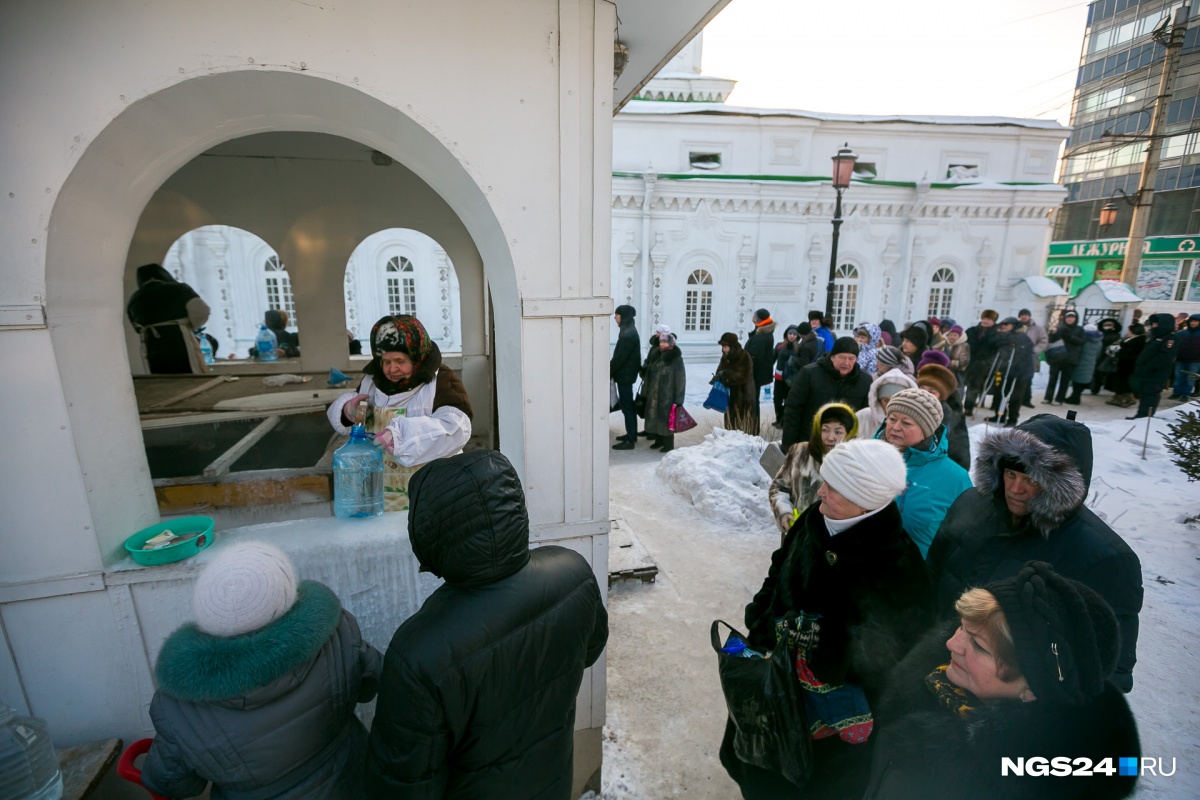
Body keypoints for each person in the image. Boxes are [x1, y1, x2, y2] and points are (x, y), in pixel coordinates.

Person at [365, 450, 608, 799]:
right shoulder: (574, 574)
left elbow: (400, 785)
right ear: (514, 505)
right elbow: (590, 649)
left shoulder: (418, 653)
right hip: (553, 779)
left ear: (429, 531)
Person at [721, 438, 934, 800]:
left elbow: (898, 650)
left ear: (865, 499)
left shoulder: (899, 563)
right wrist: (761, 614)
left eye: (833, 488)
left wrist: (832, 649)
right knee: (755, 768)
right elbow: (780, 566)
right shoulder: (813, 521)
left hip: (829, 724)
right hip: (774, 688)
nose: (820, 492)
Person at [863, 562, 1140, 800]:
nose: (951, 643)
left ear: (1033, 688)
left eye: (979, 646)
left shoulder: (1005, 783)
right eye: (961, 627)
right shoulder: (937, 687)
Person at [141, 542, 382, 799]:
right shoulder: (337, 633)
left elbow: (170, 783)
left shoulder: (177, 707)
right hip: (351, 782)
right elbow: (371, 683)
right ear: (288, 594)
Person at [927, 413, 1143, 691]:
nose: (1015, 489)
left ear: (1060, 485)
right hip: (940, 662)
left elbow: (1109, 672)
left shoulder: (1104, 558)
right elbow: (932, 574)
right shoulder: (971, 504)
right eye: (1010, 473)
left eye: (1032, 479)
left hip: (1009, 709)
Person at [327, 315, 473, 512]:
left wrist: (402, 436)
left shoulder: (441, 379)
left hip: (431, 488)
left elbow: (457, 428)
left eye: (400, 361)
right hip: (381, 492)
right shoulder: (372, 380)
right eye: (385, 361)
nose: (391, 369)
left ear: (417, 356)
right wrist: (348, 411)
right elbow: (358, 417)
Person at [876, 388, 973, 558]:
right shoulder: (866, 458)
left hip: (916, 574)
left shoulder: (954, 477)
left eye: (906, 423)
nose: (895, 427)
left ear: (926, 430)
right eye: (891, 419)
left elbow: (964, 537)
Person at [768, 402, 857, 538]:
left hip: (836, 540)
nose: (830, 437)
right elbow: (778, 488)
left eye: (838, 431)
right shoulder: (799, 452)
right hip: (797, 534)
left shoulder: (855, 462)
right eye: (825, 429)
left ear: (849, 434)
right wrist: (784, 511)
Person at [781, 337, 871, 451]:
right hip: (809, 442)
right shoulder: (810, 374)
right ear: (832, 357)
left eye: (851, 358)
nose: (846, 363)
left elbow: (864, 419)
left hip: (844, 448)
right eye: (842, 357)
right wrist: (789, 445)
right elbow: (793, 410)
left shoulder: (865, 381)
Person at [126, 263, 212, 374]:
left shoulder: (134, 298)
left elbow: (137, 328)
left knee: (161, 377)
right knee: (188, 374)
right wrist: (191, 326)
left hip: (151, 343)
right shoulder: (179, 289)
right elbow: (202, 310)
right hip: (180, 338)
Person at [916, 363, 970, 471]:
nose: (925, 394)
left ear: (941, 396)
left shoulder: (948, 416)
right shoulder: (910, 407)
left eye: (931, 392)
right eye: (922, 389)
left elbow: (959, 455)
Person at [640, 326, 685, 453]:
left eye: (665, 342)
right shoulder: (655, 355)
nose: (662, 344)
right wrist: (645, 390)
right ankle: (658, 440)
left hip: (668, 395)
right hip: (654, 392)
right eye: (661, 342)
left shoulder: (676, 358)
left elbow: (681, 379)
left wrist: (679, 399)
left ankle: (668, 444)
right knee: (654, 416)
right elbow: (649, 374)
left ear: (671, 343)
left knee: (666, 419)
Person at [984, 317, 1034, 427]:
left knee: (1015, 396)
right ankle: (999, 415)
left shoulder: (1022, 337)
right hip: (1005, 370)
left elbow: (1021, 355)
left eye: (1007, 324)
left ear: (1014, 325)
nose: (1004, 326)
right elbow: (994, 343)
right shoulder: (1004, 335)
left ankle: (1012, 419)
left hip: (1020, 372)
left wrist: (1015, 367)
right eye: (1003, 324)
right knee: (999, 393)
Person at [1127, 312, 1178, 420]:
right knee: (1145, 393)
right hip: (1147, 372)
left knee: (1151, 393)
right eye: (1153, 324)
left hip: (1156, 373)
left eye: (1156, 324)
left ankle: (1145, 417)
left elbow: (1165, 357)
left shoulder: (1171, 339)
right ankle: (1141, 414)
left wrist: (1148, 366)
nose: (1153, 327)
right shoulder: (1156, 337)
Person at [855, 367, 917, 442]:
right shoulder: (863, 417)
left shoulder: (913, 422)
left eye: (896, 400)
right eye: (886, 400)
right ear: (878, 400)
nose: (891, 404)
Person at [610, 304, 642, 450]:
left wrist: (609, 371)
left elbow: (620, 358)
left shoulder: (628, 334)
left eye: (617, 314)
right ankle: (631, 434)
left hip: (625, 376)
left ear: (623, 316)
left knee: (628, 407)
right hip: (626, 375)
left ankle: (630, 439)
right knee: (627, 406)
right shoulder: (627, 330)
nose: (614, 317)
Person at [716, 332, 758, 435]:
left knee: (743, 427)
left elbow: (743, 376)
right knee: (730, 425)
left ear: (732, 345)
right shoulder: (726, 356)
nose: (723, 349)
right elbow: (720, 370)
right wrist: (718, 377)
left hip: (743, 395)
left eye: (725, 347)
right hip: (730, 396)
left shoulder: (744, 356)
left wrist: (727, 376)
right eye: (722, 347)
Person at [744, 308, 777, 431]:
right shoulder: (765, 333)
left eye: (754, 315)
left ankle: (752, 428)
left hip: (754, 374)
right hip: (758, 373)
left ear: (757, 319)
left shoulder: (760, 336)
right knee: (753, 399)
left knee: (752, 400)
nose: (752, 317)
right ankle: (752, 427)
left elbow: (754, 357)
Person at [962, 310, 999, 416]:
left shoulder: (996, 333)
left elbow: (996, 350)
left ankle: (983, 404)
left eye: (989, 319)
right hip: (971, 362)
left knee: (981, 386)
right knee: (971, 385)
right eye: (984, 318)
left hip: (986, 364)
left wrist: (989, 362)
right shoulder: (972, 330)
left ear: (993, 321)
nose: (985, 321)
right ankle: (968, 407)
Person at [1044, 309, 1085, 405]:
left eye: (1072, 317)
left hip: (1070, 359)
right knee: (1052, 378)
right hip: (1057, 357)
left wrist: (1070, 337)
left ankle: (1059, 399)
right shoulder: (1059, 328)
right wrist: (1052, 333)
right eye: (1068, 317)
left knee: (1065, 381)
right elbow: (1050, 340)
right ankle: (1048, 397)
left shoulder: (1079, 330)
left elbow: (1082, 342)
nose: (1070, 319)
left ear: (1075, 319)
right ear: (1065, 318)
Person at [1064, 323, 1103, 404]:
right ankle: (1075, 396)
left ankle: (1075, 398)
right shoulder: (1099, 342)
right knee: (1081, 382)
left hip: (1080, 363)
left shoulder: (1084, 341)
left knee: (1077, 381)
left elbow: (1078, 351)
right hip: (1091, 364)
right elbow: (1098, 354)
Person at [772, 325, 803, 427]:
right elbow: (773, 359)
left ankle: (783, 421)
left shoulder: (799, 348)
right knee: (777, 399)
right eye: (790, 334)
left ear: (797, 336)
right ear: (786, 334)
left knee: (788, 399)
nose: (792, 336)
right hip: (779, 376)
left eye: (794, 334)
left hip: (791, 378)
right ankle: (779, 417)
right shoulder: (779, 346)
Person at [1019, 308, 1048, 408]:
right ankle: (1016, 399)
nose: (1023, 317)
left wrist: (1035, 350)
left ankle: (1026, 399)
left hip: (1030, 356)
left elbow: (1043, 341)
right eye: (1022, 315)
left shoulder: (1038, 328)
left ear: (1029, 316)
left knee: (1028, 378)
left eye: (1025, 315)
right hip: (1017, 356)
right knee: (1017, 378)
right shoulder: (1016, 326)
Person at [1169, 313, 1200, 399]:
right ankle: (1176, 392)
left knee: (1190, 379)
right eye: (1191, 321)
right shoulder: (1181, 333)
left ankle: (1186, 394)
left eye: (1195, 321)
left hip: (1195, 361)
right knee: (1178, 377)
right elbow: (1175, 345)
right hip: (1180, 359)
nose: (1193, 323)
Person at [1090, 317, 1123, 395]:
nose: (1108, 326)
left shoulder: (1115, 335)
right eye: (1106, 325)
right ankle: (1095, 388)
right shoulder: (1100, 333)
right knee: (1097, 373)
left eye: (1110, 325)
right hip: (1099, 355)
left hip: (1109, 356)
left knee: (1104, 373)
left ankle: (1102, 387)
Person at [943, 325, 969, 392]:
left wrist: (948, 362)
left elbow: (964, 360)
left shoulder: (964, 346)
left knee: (957, 390)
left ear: (959, 337)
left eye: (955, 335)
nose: (952, 337)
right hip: (944, 371)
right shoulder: (943, 344)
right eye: (951, 335)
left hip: (957, 373)